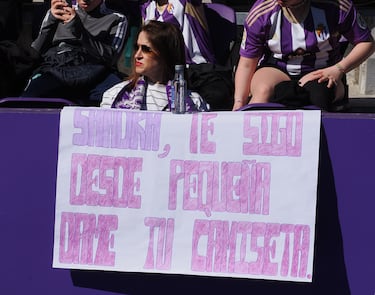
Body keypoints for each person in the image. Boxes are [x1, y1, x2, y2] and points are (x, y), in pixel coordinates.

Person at [233, 0, 375, 111]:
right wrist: (239, 101)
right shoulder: (261, 12)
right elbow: (247, 63)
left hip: (322, 69)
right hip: (278, 68)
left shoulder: (336, 6)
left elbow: (366, 43)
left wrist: (339, 69)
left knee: (319, 95)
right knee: (262, 92)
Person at [21, 0, 127, 104]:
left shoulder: (116, 18)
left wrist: (78, 29)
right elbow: (36, 51)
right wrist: (51, 20)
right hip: (58, 65)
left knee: (114, 97)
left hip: (94, 68)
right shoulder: (61, 10)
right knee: (29, 99)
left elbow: (111, 58)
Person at [140, 0, 234, 110]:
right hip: (166, 74)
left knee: (215, 98)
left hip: (199, 72)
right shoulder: (147, 8)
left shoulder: (187, 2)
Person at [100, 20, 209, 111]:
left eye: (146, 49)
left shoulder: (194, 103)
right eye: (137, 47)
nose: (137, 55)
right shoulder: (114, 96)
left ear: (166, 55)